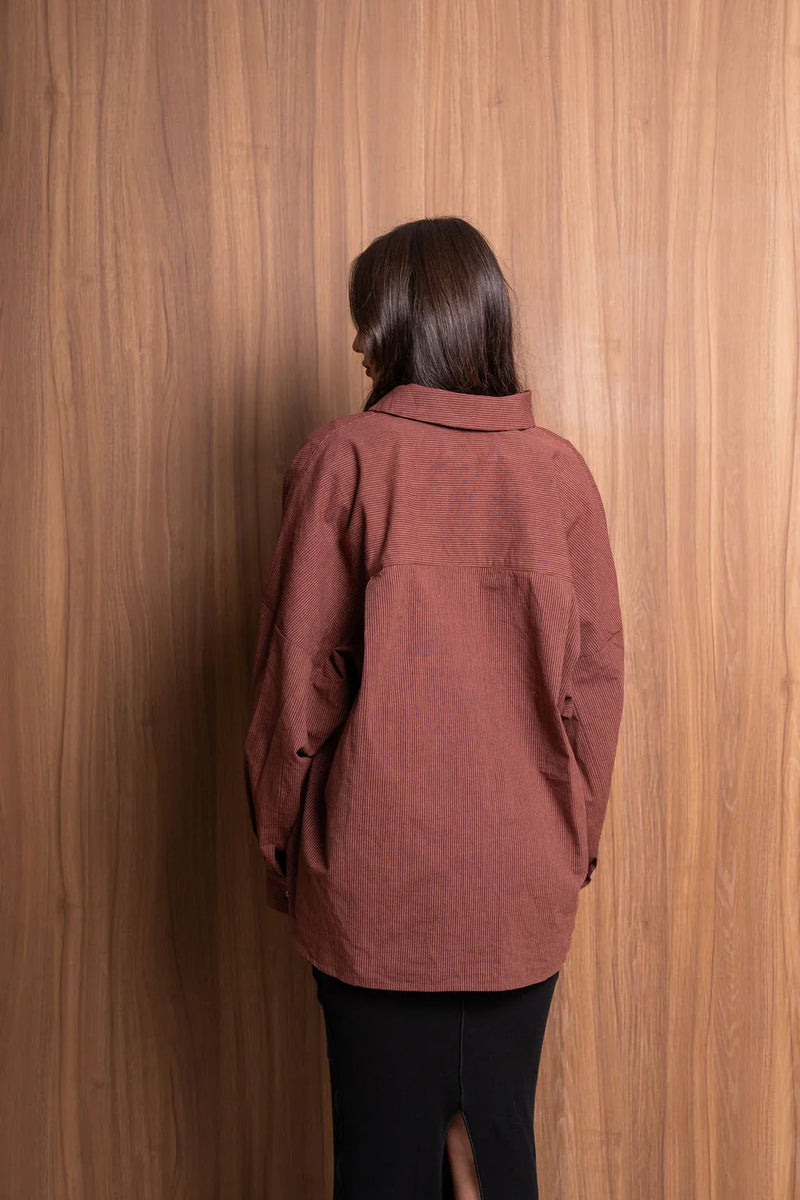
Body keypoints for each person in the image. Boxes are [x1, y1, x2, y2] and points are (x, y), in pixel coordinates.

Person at [244, 216, 625, 1199]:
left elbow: (297, 685)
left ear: (406, 323)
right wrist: (565, 845)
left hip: (373, 881)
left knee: (378, 1166)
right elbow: (593, 694)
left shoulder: (346, 461)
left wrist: (286, 847)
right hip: (520, 883)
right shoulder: (560, 476)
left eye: (368, 319)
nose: (357, 343)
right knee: (498, 1158)